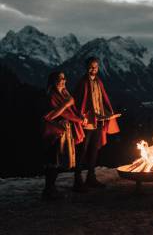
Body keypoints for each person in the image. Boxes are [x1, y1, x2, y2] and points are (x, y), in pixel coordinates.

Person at [73, 56, 120, 191]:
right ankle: (78, 180)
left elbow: (102, 100)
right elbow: (79, 102)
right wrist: (82, 116)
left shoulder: (99, 82)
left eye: (96, 67)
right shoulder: (82, 83)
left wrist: (107, 114)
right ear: (87, 67)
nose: (94, 69)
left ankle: (91, 177)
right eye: (91, 67)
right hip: (87, 123)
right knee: (82, 150)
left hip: (98, 121)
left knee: (94, 150)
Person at [42, 71, 86, 200]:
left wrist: (80, 116)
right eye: (60, 78)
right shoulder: (52, 95)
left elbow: (72, 110)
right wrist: (68, 105)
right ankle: (48, 190)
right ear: (54, 81)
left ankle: (51, 189)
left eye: (64, 78)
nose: (63, 80)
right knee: (52, 160)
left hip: (63, 130)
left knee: (56, 159)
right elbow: (56, 114)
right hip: (53, 131)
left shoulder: (65, 93)